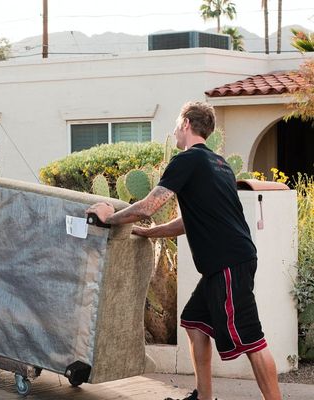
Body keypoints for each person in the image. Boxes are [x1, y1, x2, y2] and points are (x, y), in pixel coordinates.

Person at [86, 102, 281, 400]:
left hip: (228, 263)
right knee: (194, 321)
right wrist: (150, 233)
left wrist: (107, 218)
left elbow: (149, 205)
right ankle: (204, 397)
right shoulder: (219, 164)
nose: (175, 130)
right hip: (226, 262)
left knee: (251, 341)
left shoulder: (187, 160)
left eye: (177, 124)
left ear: (187, 123)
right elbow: (188, 222)